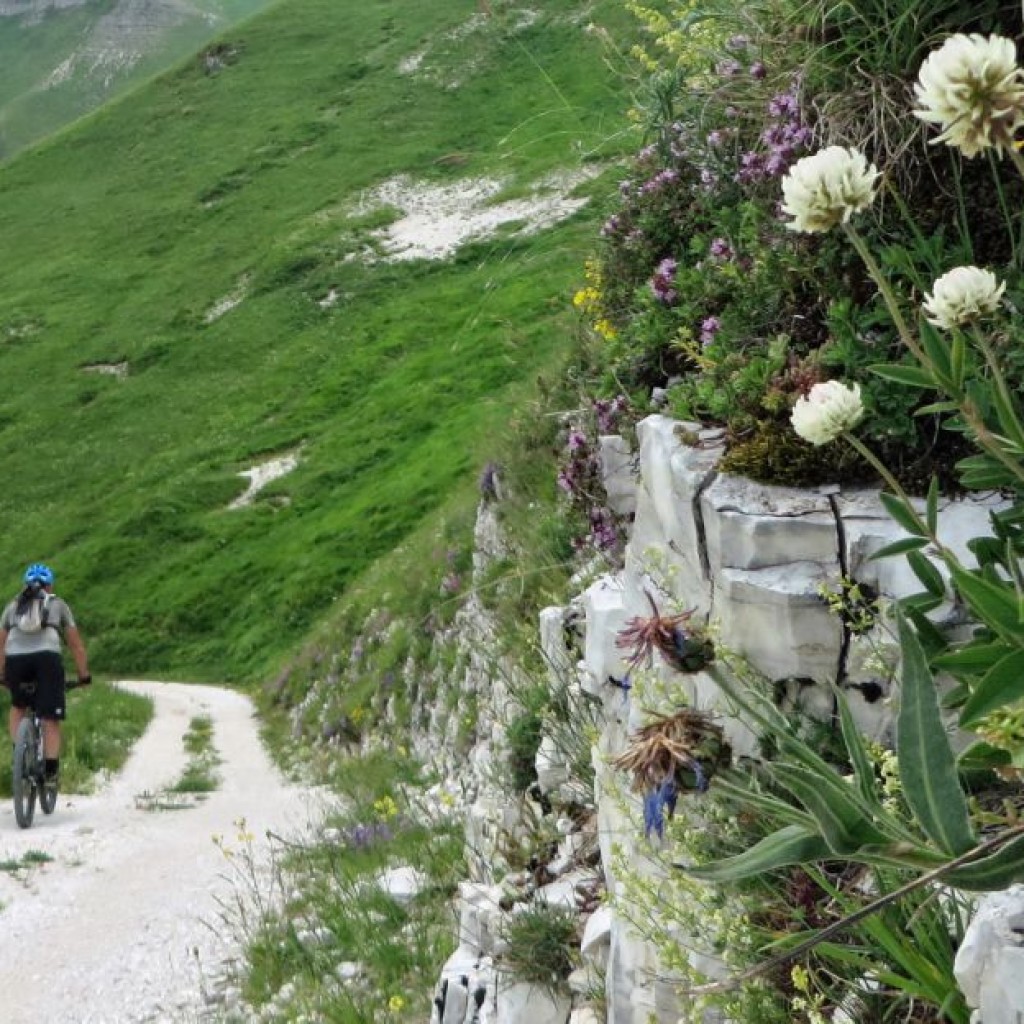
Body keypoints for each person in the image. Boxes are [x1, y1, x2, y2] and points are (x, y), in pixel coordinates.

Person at [0, 563, 91, 792]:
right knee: (50, 717)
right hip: (47, 660)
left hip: (16, 661)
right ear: (49, 585)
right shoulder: (57, 604)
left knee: (18, 706)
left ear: (25, 584)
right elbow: (75, 645)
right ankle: (50, 773)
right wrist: (83, 675)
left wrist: (2, 674)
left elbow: (0, 644)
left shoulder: (12, 606)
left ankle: (19, 753)